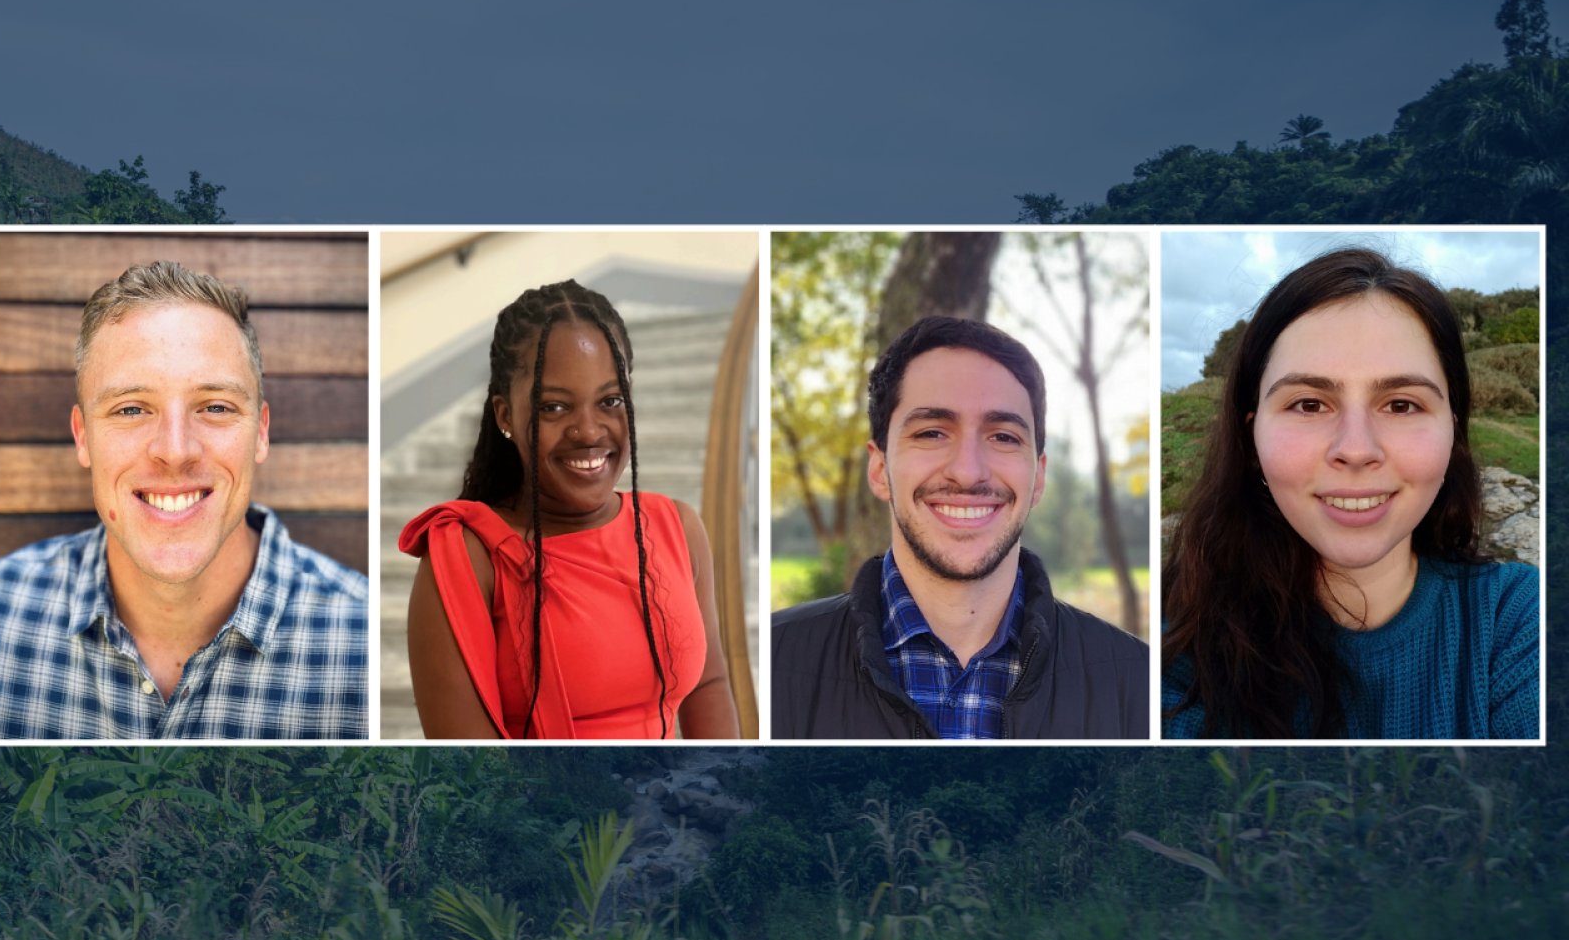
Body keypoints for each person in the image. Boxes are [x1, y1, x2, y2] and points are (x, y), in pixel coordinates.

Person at [1163, 248, 1538, 739]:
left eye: (1401, 404)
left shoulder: (1517, 620)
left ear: (1453, 430)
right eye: (1310, 403)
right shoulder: (1173, 645)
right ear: (1253, 440)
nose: (1356, 450)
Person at [0, 261, 367, 739]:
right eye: (130, 409)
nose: (174, 450)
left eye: (214, 407)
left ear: (261, 432)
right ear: (83, 437)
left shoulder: (362, 640)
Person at [773, 316, 1149, 739]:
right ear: (879, 470)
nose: (968, 472)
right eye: (932, 432)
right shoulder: (770, 662)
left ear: (1039, 477)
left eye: (1003, 437)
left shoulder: (1139, 682)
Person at [399, 281, 740, 739]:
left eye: (610, 401)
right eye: (554, 406)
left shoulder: (677, 526)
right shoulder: (466, 557)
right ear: (505, 416)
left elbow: (709, 684)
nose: (588, 430)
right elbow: (469, 773)